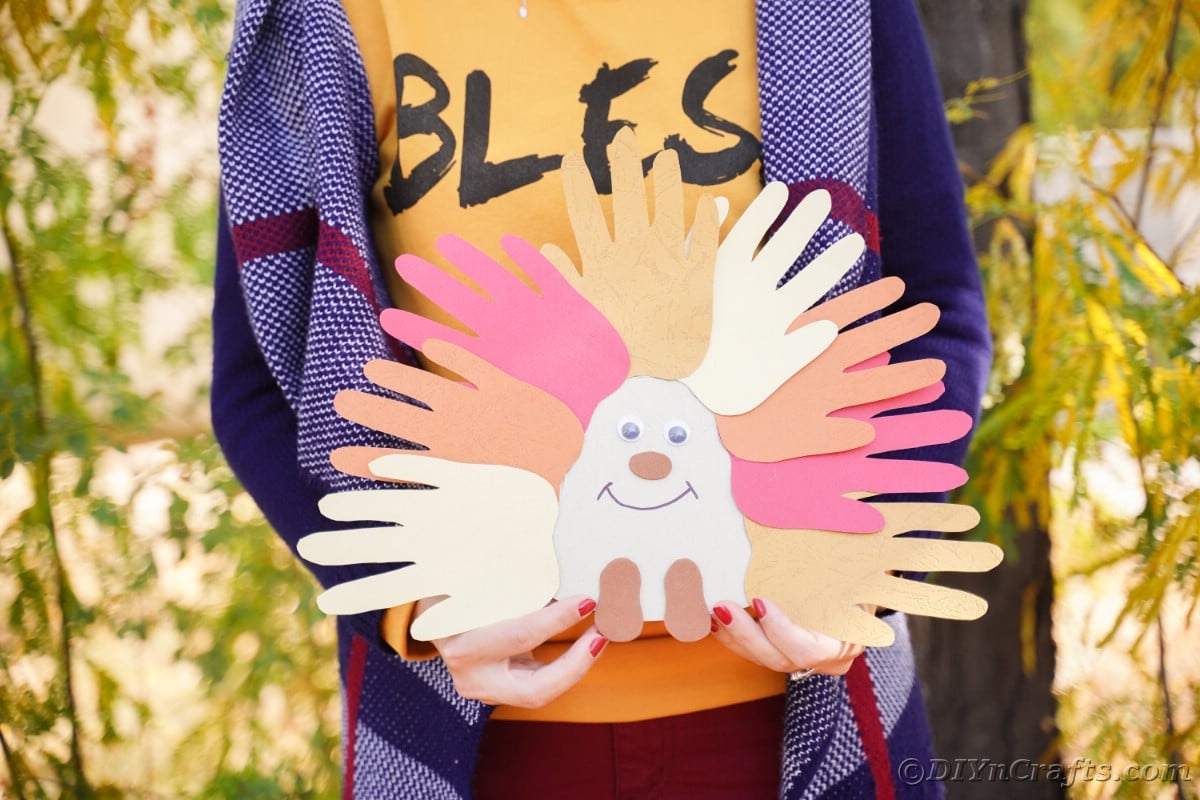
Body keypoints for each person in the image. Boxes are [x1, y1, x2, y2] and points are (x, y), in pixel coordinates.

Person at [212, 0, 992, 797]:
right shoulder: (324, 15)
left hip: (803, 716)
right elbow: (259, 382)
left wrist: (856, 567)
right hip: (472, 740)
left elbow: (938, 311)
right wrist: (410, 602)